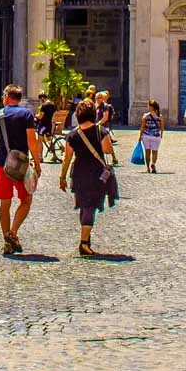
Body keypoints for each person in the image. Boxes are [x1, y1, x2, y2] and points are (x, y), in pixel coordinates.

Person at [0, 84, 41, 255]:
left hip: (1, 163)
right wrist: (37, 163)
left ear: (6, 97)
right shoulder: (26, 114)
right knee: (26, 200)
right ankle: (13, 232)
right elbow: (32, 141)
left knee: (5, 203)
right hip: (21, 164)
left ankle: (7, 240)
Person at [59, 99, 118, 257]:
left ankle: (86, 237)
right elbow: (107, 150)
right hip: (96, 174)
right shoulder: (101, 131)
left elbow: (67, 158)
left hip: (78, 173)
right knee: (90, 207)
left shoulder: (72, 135)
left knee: (84, 206)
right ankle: (84, 243)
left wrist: (62, 177)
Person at [138, 99, 164, 174]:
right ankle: (153, 163)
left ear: (151, 107)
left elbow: (142, 127)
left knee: (147, 152)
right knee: (155, 152)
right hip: (156, 136)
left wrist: (140, 136)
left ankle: (148, 167)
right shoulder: (160, 116)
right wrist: (161, 134)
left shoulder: (145, 116)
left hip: (146, 135)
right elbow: (162, 127)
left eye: (148, 105)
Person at [96, 90, 118, 166]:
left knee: (106, 142)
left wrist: (98, 124)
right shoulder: (96, 106)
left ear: (103, 98)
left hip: (104, 126)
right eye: (97, 98)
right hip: (97, 126)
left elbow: (105, 117)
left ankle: (113, 158)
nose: (98, 99)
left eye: (100, 98)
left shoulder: (105, 106)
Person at [36, 92, 58, 162]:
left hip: (43, 125)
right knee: (49, 140)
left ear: (42, 98)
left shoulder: (44, 106)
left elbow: (40, 116)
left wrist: (36, 116)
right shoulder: (53, 105)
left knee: (39, 140)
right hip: (50, 125)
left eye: (40, 99)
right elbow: (54, 117)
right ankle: (54, 155)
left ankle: (40, 157)